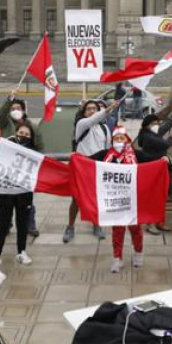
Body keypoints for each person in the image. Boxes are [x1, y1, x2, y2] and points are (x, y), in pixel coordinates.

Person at [63, 98, 120, 242]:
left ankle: (96, 224)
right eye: (89, 109)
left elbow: (108, 149)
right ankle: (70, 227)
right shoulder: (81, 124)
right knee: (76, 198)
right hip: (82, 167)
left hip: (98, 167)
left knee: (97, 197)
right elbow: (93, 120)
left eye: (94, 108)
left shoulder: (105, 128)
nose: (92, 111)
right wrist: (108, 109)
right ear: (84, 112)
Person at [0, 122, 36, 266]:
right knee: (3, 225)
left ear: (31, 137)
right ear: (16, 133)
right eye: (21, 133)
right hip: (5, 193)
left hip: (24, 195)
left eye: (27, 134)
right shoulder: (5, 147)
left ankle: (21, 252)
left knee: (22, 224)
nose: (23, 136)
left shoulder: (33, 152)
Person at [104, 127, 145, 273]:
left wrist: (164, 159)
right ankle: (117, 258)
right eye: (117, 139)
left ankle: (138, 253)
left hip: (132, 198)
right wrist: (78, 157)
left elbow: (152, 158)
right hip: (115, 199)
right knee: (117, 230)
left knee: (135, 228)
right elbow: (90, 160)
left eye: (122, 138)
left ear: (127, 140)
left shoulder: (135, 154)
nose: (119, 141)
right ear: (112, 141)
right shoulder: (107, 155)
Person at [135, 112, 172, 235]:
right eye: (154, 123)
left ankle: (159, 222)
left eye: (157, 123)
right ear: (147, 125)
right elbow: (165, 144)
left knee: (162, 197)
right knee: (153, 198)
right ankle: (150, 224)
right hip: (153, 171)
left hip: (162, 169)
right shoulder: (148, 137)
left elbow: (163, 128)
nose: (157, 125)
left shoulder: (153, 133)